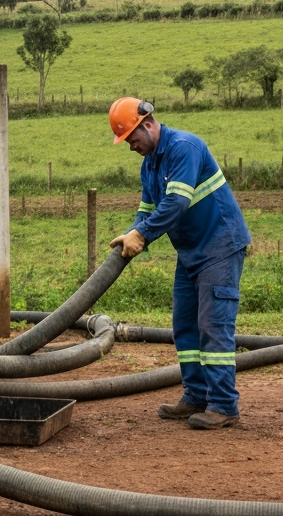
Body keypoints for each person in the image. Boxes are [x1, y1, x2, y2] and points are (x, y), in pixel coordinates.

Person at [107, 97, 251, 429]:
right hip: (190, 253)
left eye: (132, 138)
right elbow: (147, 210)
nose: (131, 146)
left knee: (213, 327)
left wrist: (141, 236)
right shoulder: (150, 165)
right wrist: (131, 232)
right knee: (184, 326)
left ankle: (224, 406)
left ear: (147, 124)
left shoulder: (185, 147)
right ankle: (196, 397)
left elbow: (176, 202)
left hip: (220, 246)